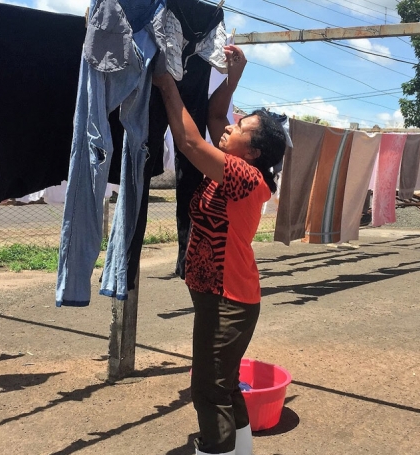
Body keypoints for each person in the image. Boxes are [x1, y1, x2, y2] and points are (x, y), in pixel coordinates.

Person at [152, 45, 287, 455]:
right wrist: (234, 76)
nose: (230, 126)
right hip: (221, 294)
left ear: (254, 151)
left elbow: (190, 142)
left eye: (240, 126)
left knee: (209, 389)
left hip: (229, 298)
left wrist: (166, 82)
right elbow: (213, 116)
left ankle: (218, 448)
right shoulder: (232, 165)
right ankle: (239, 449)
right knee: (223, 384)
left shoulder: (244, 176)